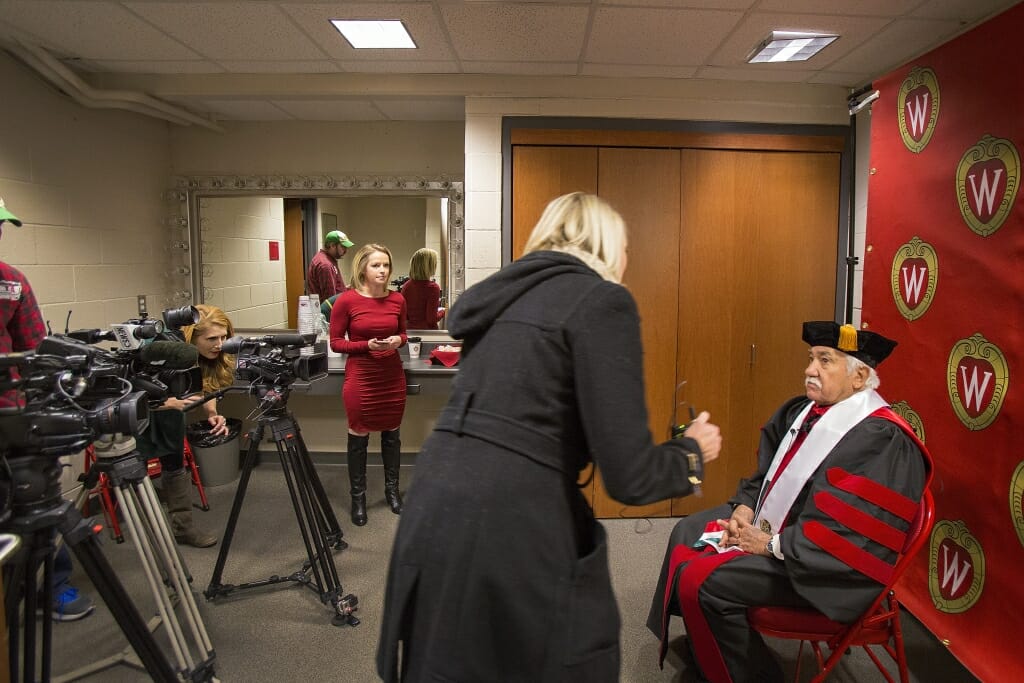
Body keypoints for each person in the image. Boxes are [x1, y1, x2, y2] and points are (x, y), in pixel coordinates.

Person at [376, 192, 722, 683]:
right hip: (512, 512)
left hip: (435, 500)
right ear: (607, 246)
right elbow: (631, 476)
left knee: (455, 654)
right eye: (626, 249)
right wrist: (691, 452)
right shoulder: (602, 300)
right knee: (546, 657)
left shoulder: (501, 301)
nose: (627, 263)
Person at [646, 321, 933, 683]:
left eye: (824, 361)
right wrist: (745, 507)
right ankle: (709, 643)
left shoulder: (882, 439)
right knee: (688, 530)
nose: (809, 369)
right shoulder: (803, 411)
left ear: (859, 377)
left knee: (704, 581)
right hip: (785, 531)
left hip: (826, 570)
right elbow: (765, 474)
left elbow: (848, 536)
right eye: (811, 358)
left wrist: (769, 544)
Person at [0, 198, 95, 621]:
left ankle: (53, 584)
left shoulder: (11, 282)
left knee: (39, 499)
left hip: (12, 414)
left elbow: (34, 349)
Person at [328, 243, 409, 526]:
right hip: (362, 376)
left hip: (391, 375)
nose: (383, 270)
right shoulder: (346, 301)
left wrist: (399, 340)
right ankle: (358, 498)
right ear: (362, 268)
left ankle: (392, 492)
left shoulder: (398, 299)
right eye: (376, 265)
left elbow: (403, 333)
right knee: (358, 436)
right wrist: (367, 345)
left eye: (386, 265)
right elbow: (336, 343)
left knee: (392, 436)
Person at [182, 303, 236, 438]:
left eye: (223, 337)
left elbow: (207, 389)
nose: (220, 345)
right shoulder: (170, 358)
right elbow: (139, 401)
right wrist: (171, 403)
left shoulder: (208, 357)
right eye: (212, 338)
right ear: (192, 339)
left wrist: (212, 413)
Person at [399, 248, 444, 329]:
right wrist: (443, 312)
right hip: (428, 334)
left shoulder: (406, 286)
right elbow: (431, 320)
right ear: (429, 266)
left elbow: (404, 316)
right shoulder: (433, 288)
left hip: (410, 332)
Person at [307, 229, 355, 302]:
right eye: (343, 247)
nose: (345, 250)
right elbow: (330, 298)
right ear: (332, 245)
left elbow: (333, 290)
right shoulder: (325, 265)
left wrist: (346, 289)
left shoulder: (327, 259)